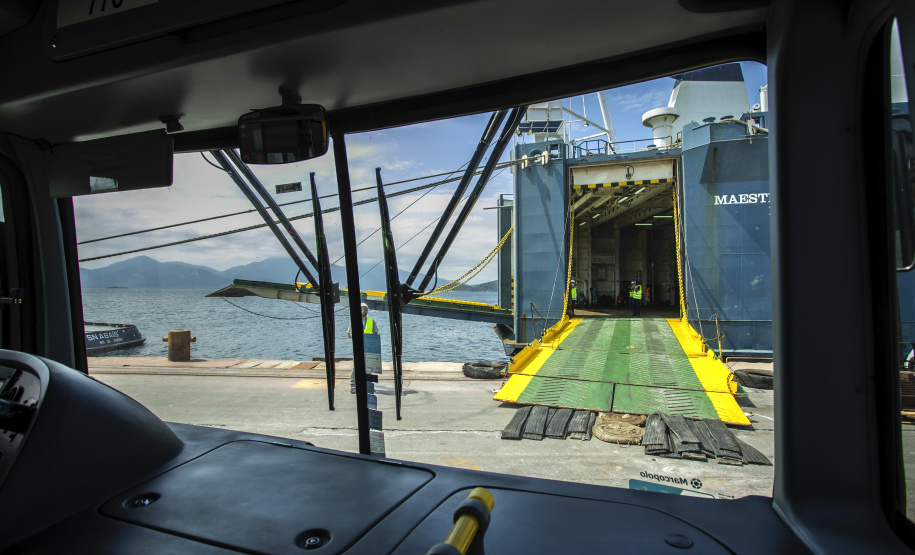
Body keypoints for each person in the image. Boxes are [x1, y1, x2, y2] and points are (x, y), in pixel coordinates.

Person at [347, 303, 379, 393]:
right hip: (358, 347)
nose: (363, 311)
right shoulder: (354, 321)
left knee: (369, 367)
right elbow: (349, 334)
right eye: (361, 309)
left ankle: (368, 386)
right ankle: (353, 386)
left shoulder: (371, 321)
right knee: (356, 367)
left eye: (365, 309)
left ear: (367, 311)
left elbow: (376, 334)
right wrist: (357, 336)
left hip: (369, 347)